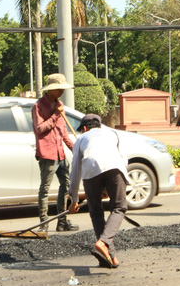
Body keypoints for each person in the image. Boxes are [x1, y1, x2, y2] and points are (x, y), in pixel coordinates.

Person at [68, 114, 127, 268]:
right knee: (119, 207)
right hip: (115, 167)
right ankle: (106, 247)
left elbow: (75, 171)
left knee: (96, 211)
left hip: (91, 169)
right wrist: (113, 185)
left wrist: (74, 199)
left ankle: (110, 254)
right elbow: (124, 158)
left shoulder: (81, 139)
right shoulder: (113, 133)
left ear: (85, 128)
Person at [32, 73, 78, 232]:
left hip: (60, 153)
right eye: (59, 89)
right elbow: (39, 129)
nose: (61, 92)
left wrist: (75, 148)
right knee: (45, 189)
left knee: (66, 186)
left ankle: (62, 221)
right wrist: (55, 115)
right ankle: (43, 224)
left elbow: (63, 131)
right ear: (50, 90)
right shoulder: (38, 106)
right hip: (47, 154)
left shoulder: (60, 105)